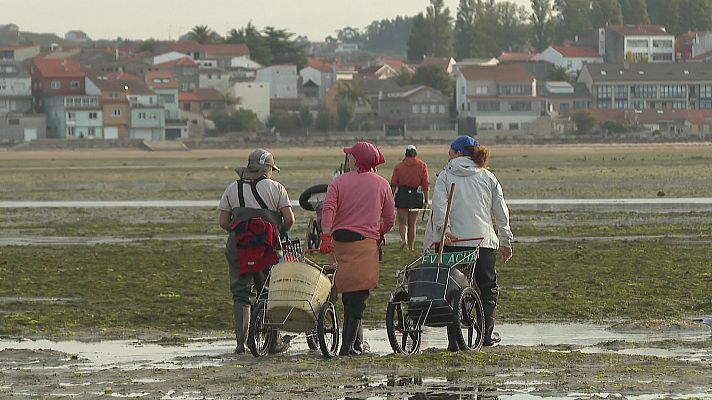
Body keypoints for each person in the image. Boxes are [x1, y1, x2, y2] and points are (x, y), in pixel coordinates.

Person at [425, 135, 513, 349]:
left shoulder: (445, 176)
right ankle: (486, 336)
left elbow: (439, 207)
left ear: (457, 153)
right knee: (488, 289)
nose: (447, 155)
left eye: (450, 152)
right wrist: (505, 241)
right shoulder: (488, 177)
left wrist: (443, 232)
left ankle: (454, 341)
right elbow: (501, 212)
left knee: (451, 290)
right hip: (483, 241)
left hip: (454, 241)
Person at [320, 141, 395, 356]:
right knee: (358, 298)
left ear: (355, 160)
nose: (349, 158)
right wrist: (379, 232)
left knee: (347, 292)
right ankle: (348, 347)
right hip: (364, 244)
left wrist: (326, 236)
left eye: (351, 156)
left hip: (340, 241)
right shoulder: (382, 184)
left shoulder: (338, 182)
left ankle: (353, 344)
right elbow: (390, 218)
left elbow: (328, 209)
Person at [218, 148, 296, 354]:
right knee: (269, 293)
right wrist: (278, 233)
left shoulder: (232, 188)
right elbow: (289, 220)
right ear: (266, 169)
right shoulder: (277, 189)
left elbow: (223, 222)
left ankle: (241, 344)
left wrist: (242, 232)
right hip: (267, 247)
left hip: (238, 246)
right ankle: (273, 342)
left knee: (241, 294)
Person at [390, 144, 430, 251]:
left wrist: (391, 197)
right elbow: (425, 184)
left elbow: (393, 184)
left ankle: (404, 239)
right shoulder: (422, 165)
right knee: (412, 223)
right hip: (415, 196)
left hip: (402, 194)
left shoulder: (399, 167)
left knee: (403, 222)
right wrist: (426, 199)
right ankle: (411, 247)